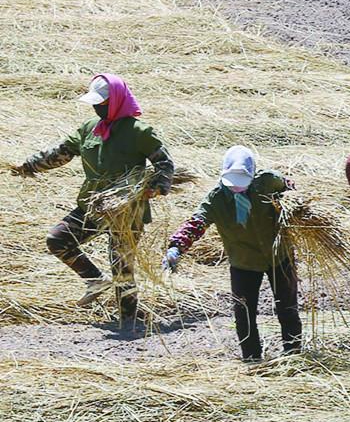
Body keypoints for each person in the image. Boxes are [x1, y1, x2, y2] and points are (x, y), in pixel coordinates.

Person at [8, 73, 174, 324]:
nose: (97, 107)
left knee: (122, 268)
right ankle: (95, 280)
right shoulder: (89, 129)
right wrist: (29, 166)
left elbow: (164, 163)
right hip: (92, 206)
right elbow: (61, 153)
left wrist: (156, 188)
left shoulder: (139, 132)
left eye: (102, 103)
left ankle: (128, 323)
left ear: (116, 100)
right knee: (58, 239)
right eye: (95, 103)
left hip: (126, 211)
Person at [164, 147, 301, 363]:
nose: (237, 186)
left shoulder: (266, 181)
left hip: (279, 256)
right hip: (243, 263)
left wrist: (292, 203)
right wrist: (176, 247)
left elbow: (290, 187)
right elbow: (197, 222)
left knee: (287, 308)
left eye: (242, 180)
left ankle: (293, 353)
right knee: (244, 315)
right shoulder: (217, 199)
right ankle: (252, 359)